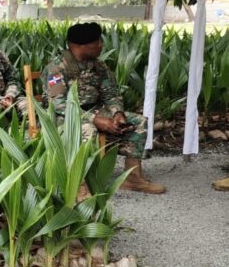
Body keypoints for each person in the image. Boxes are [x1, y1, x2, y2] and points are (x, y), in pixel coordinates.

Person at [43, 22, 165, 194]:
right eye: (96, 42)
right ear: (79, 46)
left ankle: (133, 178)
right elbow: (57, 103)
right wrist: (95, 119)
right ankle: (78, 186)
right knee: (87, 129)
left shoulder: (99, 66)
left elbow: (111, 94)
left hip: (95, 111)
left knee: (139, 121)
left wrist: (117, 113)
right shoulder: (56, 68)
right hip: (64, 117)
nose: (101, 45)